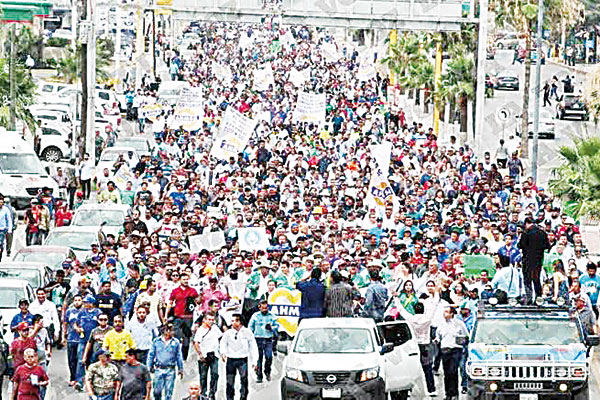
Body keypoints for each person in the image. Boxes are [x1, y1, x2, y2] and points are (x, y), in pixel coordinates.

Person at [219, 314, 258, 400]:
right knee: (229, 382)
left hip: (242, 360)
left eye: (235, 320)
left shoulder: (247, 332)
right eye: (232, 321)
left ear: (240, 322)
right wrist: (223, 353)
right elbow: (223, 343)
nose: (232, 322)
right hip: (231, 360)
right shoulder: (228, 333)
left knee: (244, 381)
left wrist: (254, 361)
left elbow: (253, 347)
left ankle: (243, 397)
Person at [435, 307, 468, 400]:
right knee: (446, 373)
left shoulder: (459, 324)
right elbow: (438, 336)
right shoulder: (441, 325)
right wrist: (436, 340)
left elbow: (466, 335)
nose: (444, 314)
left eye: (446, 312)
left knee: (453, 371)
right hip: (445, 350)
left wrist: (461, 340)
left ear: (452, 314)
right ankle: (448, 394)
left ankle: (454, 393)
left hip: (455, 349)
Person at [165, 273, 199, 360]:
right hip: (178, 317)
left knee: (186, 339)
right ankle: (174, 356)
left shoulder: (193, 290)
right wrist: (166, 315)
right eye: (184, 279)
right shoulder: (175, 291)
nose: (186, 281)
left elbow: (198, 303)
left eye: (187, 279)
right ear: (180, 280)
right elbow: (170, 303)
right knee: (176, 337)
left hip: (188, 317)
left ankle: (184, 358)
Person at [147, 323, 184, 400]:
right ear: (165, 331)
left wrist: (181, 368)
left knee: (168, 392)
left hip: (170, 369)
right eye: (170, 330)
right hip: (159, 368)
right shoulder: (156, 341)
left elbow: (179, 356)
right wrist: (149, 366)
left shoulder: (176, 342)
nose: (172, 332)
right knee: (157, 391)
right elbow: (151, 355)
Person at [518, 217, 551, 303]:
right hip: (538, 261)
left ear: (526, 223)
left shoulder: (526, 233)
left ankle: (529, 299)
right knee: (536, 279)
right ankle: (538, 297)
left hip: (527, 260)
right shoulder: (542, 233)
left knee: (527, 280)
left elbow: (521, 245)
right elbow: (547, 246)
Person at [248, 300, 278, 383]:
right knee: (259, 358)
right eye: (263, 308)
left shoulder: (272, 316)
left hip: (268, 339)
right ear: (259, 307)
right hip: (257, 339)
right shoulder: (255, 316)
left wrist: (271, 328)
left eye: (266, 308)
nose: (265, 310)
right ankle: (259, 375)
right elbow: (250, 327)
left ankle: (267, 371)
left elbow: (277, 326)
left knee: (269, 357)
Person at [193, 313, 222, 399]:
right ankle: (203, 393)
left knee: (215, 374)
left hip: (214, 355)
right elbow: (196, 343)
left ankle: (212, 393)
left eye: (212, 320)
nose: (211, 321)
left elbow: (220, 337)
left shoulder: (215, 328)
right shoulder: (200, 330)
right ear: (204, 320)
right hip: (204, 357)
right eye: (209, 320)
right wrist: (200, 354)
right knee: (203, 376)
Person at [0, 195, 13, 261]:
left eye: (1, 202)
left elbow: (9, 220)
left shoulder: (6, 209)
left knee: (0, 243)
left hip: (2, 230)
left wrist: (9, 229)